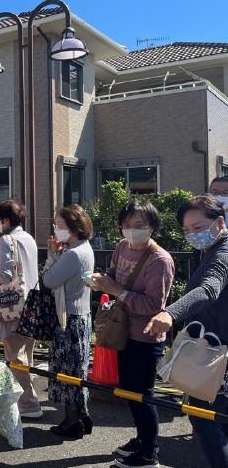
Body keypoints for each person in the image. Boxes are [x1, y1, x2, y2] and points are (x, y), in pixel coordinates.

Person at [145, 195, 228, 468]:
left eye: (198, 227)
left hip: (219, 354)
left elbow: (209, 289)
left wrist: (170, 313)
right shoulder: (209, 250)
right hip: (216, 349)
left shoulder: (223, 254)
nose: (192, 235)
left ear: (220, 221)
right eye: (186, 230)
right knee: (216, 420)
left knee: (205, 418)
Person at [91, 200, 174, 467]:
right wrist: (100, 280)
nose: (131, 231)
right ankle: (142, 439)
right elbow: (114, 275)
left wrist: (118, 292)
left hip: (146, 337)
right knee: (128, 391)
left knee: (143, 395)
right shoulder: (122, 247)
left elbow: (154, 305)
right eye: (126, 225)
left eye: (139, 225)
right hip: (122, 332)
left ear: (152, 227)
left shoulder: (160, 260)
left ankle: (150, 453)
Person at [0, 200, 42, 419]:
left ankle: (28, 403)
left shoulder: (6, 240)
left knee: (15, 355)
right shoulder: (29, 238)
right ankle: (30, 397)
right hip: (32, 301)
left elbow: (5, 276)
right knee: (28, 354)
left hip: (13, 304)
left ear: (5, 220)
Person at [42, 204, 95, 439]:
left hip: (69, 319)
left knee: (66, 373)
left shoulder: (73, 253)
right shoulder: (84, 248)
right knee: (77, 371)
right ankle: (81, 415)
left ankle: (72, 423)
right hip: (80, 317)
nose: (56, 229)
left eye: (60, 225)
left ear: (74, 227)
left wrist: (50, 256)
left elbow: (50, 280)